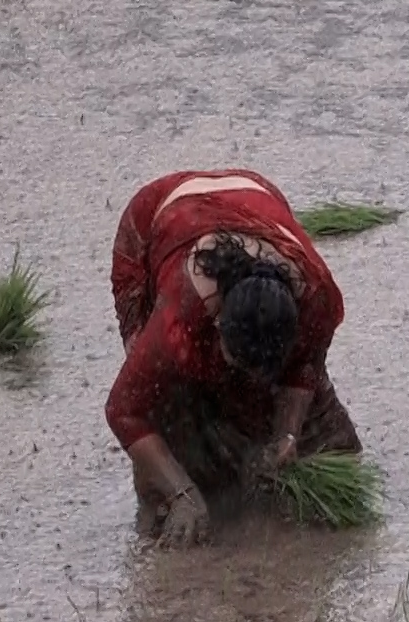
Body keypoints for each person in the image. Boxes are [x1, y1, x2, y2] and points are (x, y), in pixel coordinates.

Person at [107, 170, 360, 547]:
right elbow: (123, 409)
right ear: (220, 321)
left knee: (322, 436)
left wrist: (287, 434)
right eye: (237, 360)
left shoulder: (315, 301)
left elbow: (304, 365)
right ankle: (172, 489)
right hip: (157, 223)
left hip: (253, 199)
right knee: (169, 396)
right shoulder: (183, 312)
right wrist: (182, 494)